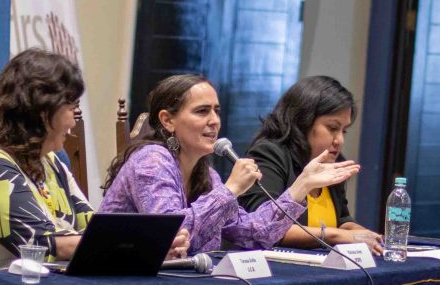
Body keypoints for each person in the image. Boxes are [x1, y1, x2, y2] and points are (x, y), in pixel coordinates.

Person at [0, 48, 189, 269]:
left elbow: (93, 227)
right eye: (70, 108)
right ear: (40, 111)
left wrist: (157, 241)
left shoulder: (51, 162)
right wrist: (143, 244)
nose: (73, 120)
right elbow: (39, 243)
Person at [99, 74, 360, 253]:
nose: (214, 121)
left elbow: (253, 234)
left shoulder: (207, 174)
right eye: (202, 111)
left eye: (217, 111)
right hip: (117, 281)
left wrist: (301, 186)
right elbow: (169, 233)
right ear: (168, 120)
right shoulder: (151, 160)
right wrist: (231, 189)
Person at [239, 76, 383, 254]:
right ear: (303, 122)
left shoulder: (332, 161)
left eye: (344, 131)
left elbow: (342, 220)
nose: (340, 140)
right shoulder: (270, 154)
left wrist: (365, 235)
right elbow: (262, 227)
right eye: (332, 128)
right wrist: (336, 236)